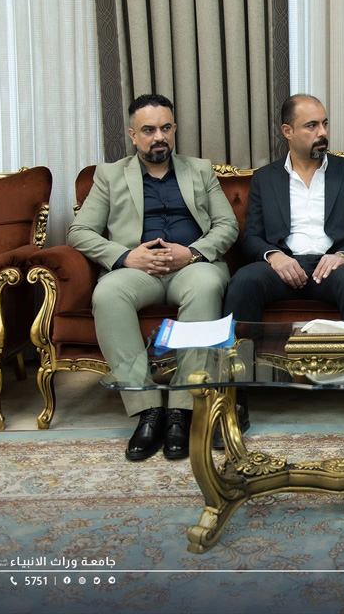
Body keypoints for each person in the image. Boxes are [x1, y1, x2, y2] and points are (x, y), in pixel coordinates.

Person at [68, 93, 239, 461]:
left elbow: (227, 225)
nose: (158, 137)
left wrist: (193, 252)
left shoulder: (200, 170)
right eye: (148, 130)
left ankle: (181, 410)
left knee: (207, 286)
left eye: (165, 128)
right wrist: (125, 256)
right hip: (137, 271)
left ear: (174, 129)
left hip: (191, 267)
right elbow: (79, 232)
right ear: (133, 135)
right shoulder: (109, 175)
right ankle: (147, 409)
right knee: (108, 295)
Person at [223, 94, 344, 455]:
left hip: (331, 267)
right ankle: (235, 401)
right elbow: (252, 237)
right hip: (284, 266)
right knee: (243, 282)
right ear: (288, 131)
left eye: (324, 124)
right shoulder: (265, 178)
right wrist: (274, 255)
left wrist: (343, 255)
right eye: (311, 126)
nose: (322, 132)